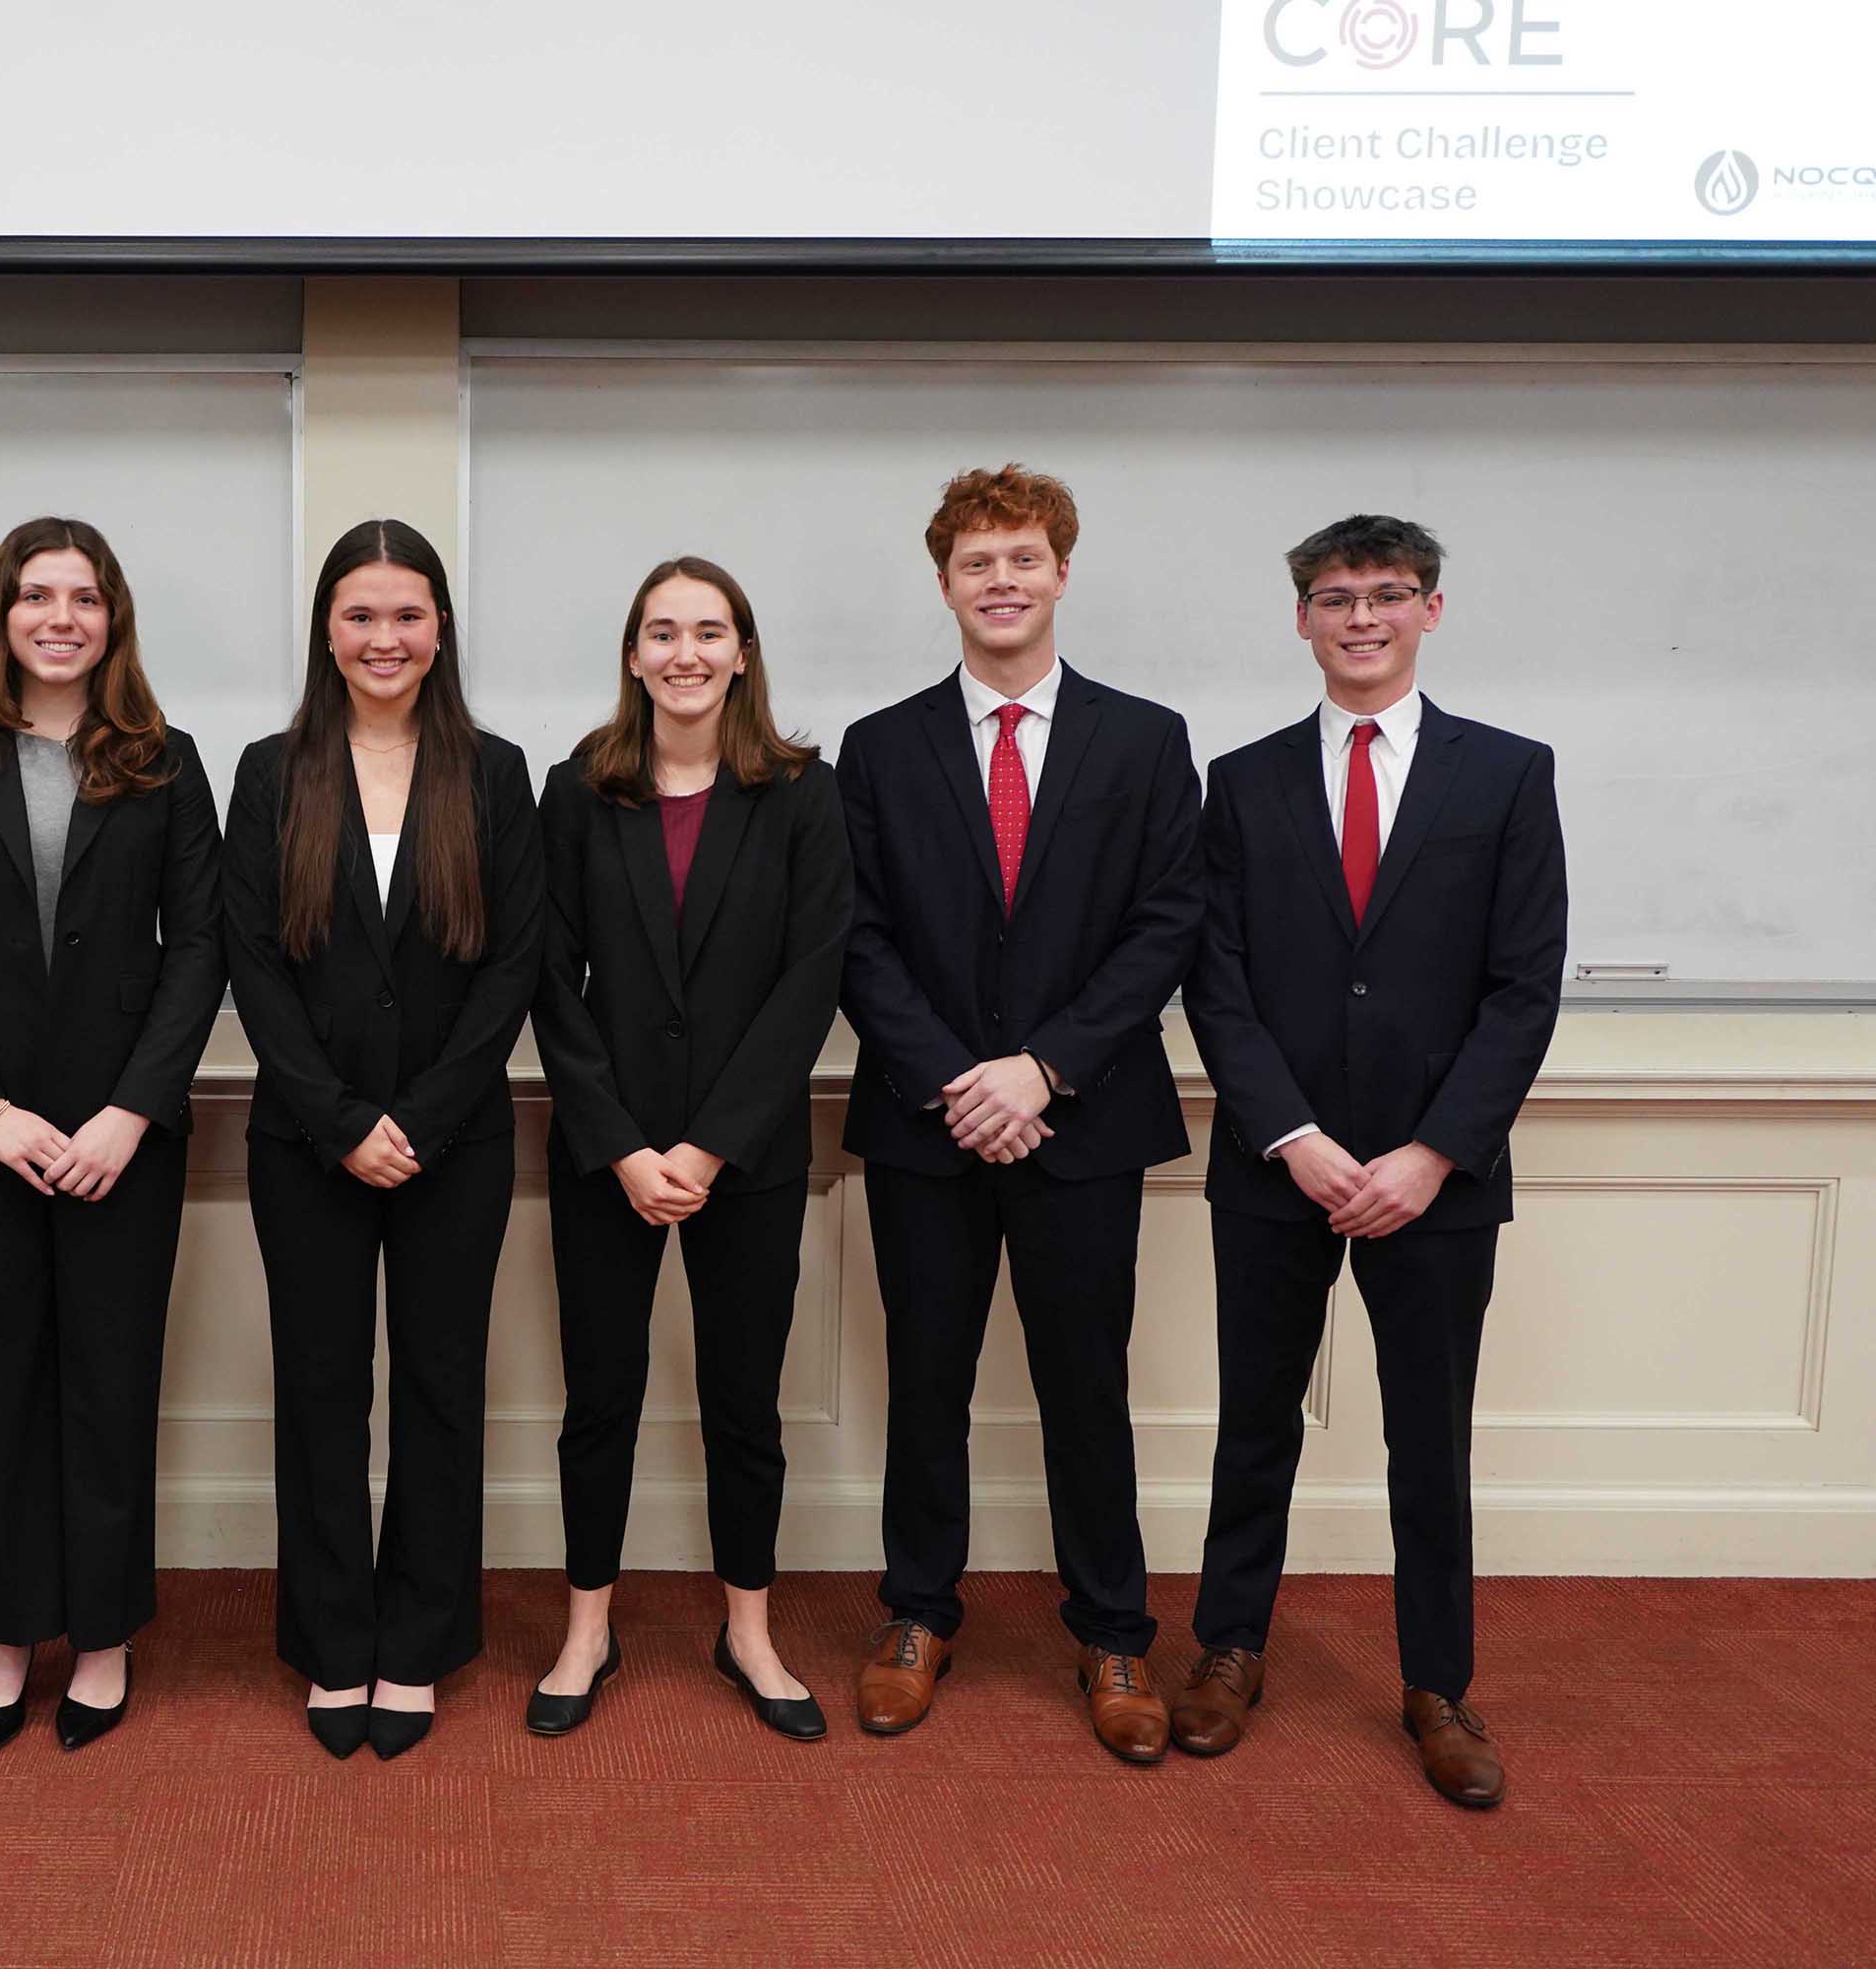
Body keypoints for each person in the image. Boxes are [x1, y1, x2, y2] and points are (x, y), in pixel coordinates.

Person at [1174, 516, 1564, 1808]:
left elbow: (1522, 990)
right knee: (1253, 1425)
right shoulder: (1242, 781)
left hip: (1433, 1183)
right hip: (1276, 1165)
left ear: (1430, 612)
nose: (1360, 616)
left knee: (1429, 1439)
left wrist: (1434, 1155)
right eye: (1334, 597)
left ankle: (1438, 1686)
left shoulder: (1507, 775)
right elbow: (1216, 982)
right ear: (1301, 619)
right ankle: (1228, 1651)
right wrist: (1292, 1137)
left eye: (1386, 595)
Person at [836, 465, 1203, 1764]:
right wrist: (961, 1079)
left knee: (1084, 1388)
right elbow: (860, 939)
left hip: (1082, 1123)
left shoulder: (1147, 739)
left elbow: (1167, 925)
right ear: (943, 583)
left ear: (1061, 573)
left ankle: (1114, 1636)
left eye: (1024, 559)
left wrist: (1041, 1071)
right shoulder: (878, 748)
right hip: (926, 1127)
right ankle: (918, 1615)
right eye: (977, 562)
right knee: (924, 1387)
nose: (1002, 581)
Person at [0, 517, 223, 1756]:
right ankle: (10, 1630)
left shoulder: (168, 761)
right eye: (36, 596)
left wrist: (129, 1109)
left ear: (113, 617)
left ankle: (108, 1632)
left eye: (83, 597)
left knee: (111, 1386)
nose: (59, 616)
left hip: (127, 1133)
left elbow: (201, 953)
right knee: (0, 1384)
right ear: (0, 615)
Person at [223, 518, 541, 1761]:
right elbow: (251, 959)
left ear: (441, 629)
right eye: (361, 614)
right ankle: (332, 1639)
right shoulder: (270, 768)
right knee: (319, 1390)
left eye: (407, 614)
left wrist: (423, 1114)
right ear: (327, 630)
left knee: (439, 1389)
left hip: (456, 1139)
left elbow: (515, 960)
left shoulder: (497, 770)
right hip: (308, 1140)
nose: (384, 637)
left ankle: (418, 1643)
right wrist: (344, 1119)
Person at [528, 556, 848, 1742]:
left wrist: (709, 1147)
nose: (686, 653)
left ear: (744, 653)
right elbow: (548, 982)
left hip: (746, 1157)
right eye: (662, 632)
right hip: (606, 1155)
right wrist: (621, 1147)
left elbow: (810, 983)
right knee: (597, 1400)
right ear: (632, 655)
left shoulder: (805, 794)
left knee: (743, 1403)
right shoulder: (580, 789)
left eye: (710, 631)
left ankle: (749, 1628)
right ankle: (587, 1626)